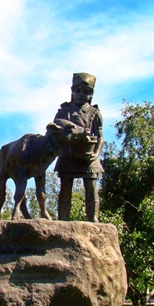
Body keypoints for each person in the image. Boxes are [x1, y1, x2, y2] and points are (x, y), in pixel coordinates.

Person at [53, 72, 104, 222]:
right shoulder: (64, 111)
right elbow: (56, 130)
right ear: (72, 92)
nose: (81, 95)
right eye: (78, 91)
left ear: (91, 94)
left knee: (91, 187)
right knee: (65, 186)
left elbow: (100, 136)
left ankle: (93, 219)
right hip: (68, 154)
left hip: (88, 156)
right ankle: (63, 220)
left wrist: (96, 153)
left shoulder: (95, 113)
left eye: (85, 92)